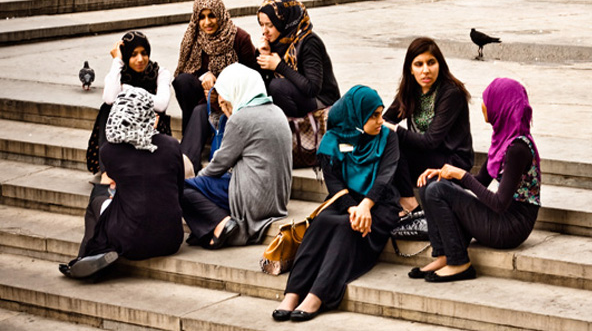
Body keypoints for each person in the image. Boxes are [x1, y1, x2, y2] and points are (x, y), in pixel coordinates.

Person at [272, 85, 400, 322]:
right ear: (356, 116)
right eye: (374, 115)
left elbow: (385, 177)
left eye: (381, 114)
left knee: (345, 227)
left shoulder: (388, 138)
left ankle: (317, 295)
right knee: (322, 222)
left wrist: (365, 206)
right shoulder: (335, 139)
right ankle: (292, 293)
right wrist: (352, 206)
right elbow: (333, 181)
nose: (380, 121)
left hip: (380, 205)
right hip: (344, 199)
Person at [410, 78, 541, 282]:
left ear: (502, 105)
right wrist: (441, 173)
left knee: (438, 191)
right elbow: (480, 180)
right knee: (431, 185)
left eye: (489, 100)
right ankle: (444, 255)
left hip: (511, 226)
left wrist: (460, 175)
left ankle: (459, 262)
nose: (483, 105)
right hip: (501, 217)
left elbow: (498, 203)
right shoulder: (503, 140)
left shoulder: (518, 149)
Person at [61, 88, 184, 279]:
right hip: (171, 239)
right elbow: (179, 189)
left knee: (97, 199)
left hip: (130, 240)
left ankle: (86, 257)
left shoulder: (109, 151)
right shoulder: (171, 145)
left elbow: (113, 181)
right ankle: (92, 258)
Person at [181, 63, 292, 249]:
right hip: (276, 200)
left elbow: (218, 165)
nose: (223, 100)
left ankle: (221, 224)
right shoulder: (277, 111)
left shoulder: (242, 119)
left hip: (252, 200)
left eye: (225, 94)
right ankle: (212, 227)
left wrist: (197, 182)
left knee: (181, 187)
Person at [383, 37, 474, 216]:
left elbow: (430, 141)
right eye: (419, 64)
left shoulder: (451, 93)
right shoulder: (411, 90)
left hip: (452, 159)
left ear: (440, 64)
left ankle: (409, 203)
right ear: (410, 69)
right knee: (387, 140)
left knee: (395, 139)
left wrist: (393, 129)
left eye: (431, 63)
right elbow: (386, 119)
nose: (425, 70)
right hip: (425, 155)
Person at [86, 30, 172, 176]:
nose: (140, 59)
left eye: (144, 53)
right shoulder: (119, 72)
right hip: (123, 128)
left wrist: (127, 90)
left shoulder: (160, 72)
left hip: (150, 126)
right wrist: (117, 61)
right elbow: (109, 98)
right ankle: (108, 171)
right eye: (133, 55)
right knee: (107, 110)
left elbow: (162, 104)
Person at [173, 0, 257, 134]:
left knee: (200, 110)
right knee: (183, 81)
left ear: (220, 14)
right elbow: (188, 70)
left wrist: (221, 90)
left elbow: (252, 77)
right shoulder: (194, 38)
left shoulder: (240, 38)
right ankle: (190, 137)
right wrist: (205, 76)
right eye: (202, 17)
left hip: (233, 98)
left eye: (211, 15)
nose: (207, 22)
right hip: (204, 97)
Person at [255, 0, 340, 118]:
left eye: (270, 25)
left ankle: (294, 129)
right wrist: (262, 53)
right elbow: (261, 84)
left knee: (278, 87)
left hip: (322, 103)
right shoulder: (276, 40)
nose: (264, 31)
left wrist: (279, 66)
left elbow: (312, 88)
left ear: (283, 21)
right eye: (261, 24)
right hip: (299, 98)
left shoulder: (309, 42)